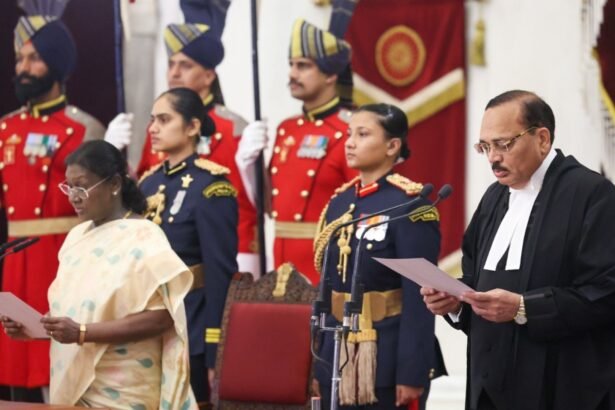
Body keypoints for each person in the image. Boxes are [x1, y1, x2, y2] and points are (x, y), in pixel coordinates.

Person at [422, 90, 615, 410]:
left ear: (542, 139)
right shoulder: (494, 198)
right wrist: (456, 303)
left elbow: (606, 293)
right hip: (488, 384)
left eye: (503, 144)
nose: (492, 158)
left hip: (559, 385)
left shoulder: (592, 194)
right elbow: (475, 280)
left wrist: (525, 308)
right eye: (485, 147)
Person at [1, 140, 196, 409]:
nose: (73, 196)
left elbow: (161, 318)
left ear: (114, 184)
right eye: (69, 187)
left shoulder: (144, 236)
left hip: (125, 388)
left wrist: (82, 332)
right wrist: (36, 327)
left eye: (81, 186)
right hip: (74, 380)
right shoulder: (77, 237)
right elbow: (82, 312)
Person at [105, 0, 259, 275]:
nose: (174, 73)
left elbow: (250, 200)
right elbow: (142, 189)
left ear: (208, 75)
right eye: (171, 64)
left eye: (185, 65)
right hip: (167, 250)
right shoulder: (158, 124)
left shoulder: (234, 128)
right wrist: (114, 157)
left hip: (227, 249)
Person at [0, 6, 105, 400]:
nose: (23, 68)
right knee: (16, 375)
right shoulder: (5, 128)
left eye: (35, 58)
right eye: (19, 58)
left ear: (57, 64)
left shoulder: (84, 127)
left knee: (62, 372)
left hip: (65, 261)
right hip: (17, 265)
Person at [312, 104, 446, 409]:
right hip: (335, 350)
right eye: (349, 134)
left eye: (362, 134)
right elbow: (327, 284)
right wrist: (318, 359)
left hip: (386, 352)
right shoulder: (340, 202)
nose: (350, 143)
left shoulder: (410, 206)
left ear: (392, 146)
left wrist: (411, 371)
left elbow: (420, 296)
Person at [237, 18, 357, 284]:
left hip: (326, 267)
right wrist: (248, 165)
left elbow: (362, 208)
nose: (292, 74)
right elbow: (271, 205)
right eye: (291, 65)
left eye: (303, 66)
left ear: (330, 75)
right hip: (281, 264)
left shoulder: (350, 130)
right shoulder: (287, 129)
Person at [139, 87, 238, 407]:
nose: (153, 128)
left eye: (164, 120)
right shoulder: (148, 183)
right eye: (152, 120)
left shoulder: (212, 187)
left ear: (193, 126)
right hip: (146, 321)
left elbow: (220, 274)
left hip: (190, 324)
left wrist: (214, 347)